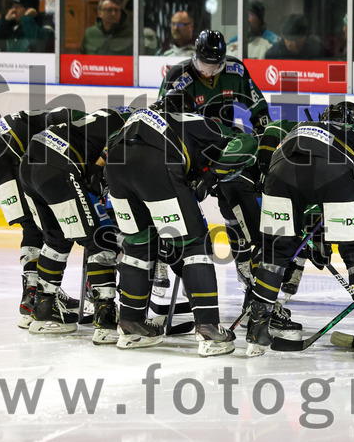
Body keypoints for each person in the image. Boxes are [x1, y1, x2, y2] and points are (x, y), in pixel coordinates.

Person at [104, 92, 256, 356]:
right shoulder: (192, 119)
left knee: (138, 246)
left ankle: (130, 324)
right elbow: (245, 142)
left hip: (116, 169)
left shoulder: (134, 119)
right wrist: (209, 177)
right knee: (195, 245)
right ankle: (209, 330)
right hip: (157, 166)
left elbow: (107, 149)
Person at [253, 102, 354, 360]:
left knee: (275, 252)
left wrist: (265, 165)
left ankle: (257, 330)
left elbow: (272, 127)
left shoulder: (298, 125)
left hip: (280, 168)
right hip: (334, 169)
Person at [160, 30, 270, 288]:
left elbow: (258, 106)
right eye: (205, 64)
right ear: (195, 56)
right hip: (187, 150)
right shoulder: (179, 76)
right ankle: (162, 258)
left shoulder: (235, 70)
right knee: (172, 203)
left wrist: (265, 137)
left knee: (234, 199)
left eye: (215, 65)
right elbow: (163, 119)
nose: (210, 71)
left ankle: (244, 262)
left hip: (223, 146)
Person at [19, 107, 132, 342]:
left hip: (29, 162)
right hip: (59, 164)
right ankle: (105, 320)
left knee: (55, 237)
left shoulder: (101, 118)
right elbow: (102, 167)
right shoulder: (136, 125)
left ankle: (44, 310)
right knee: (100, 238)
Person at [0, 107, 78, 329]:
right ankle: (32, 298)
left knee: (30, 225)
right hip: (10, 151)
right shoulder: (73, 128)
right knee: (37, 226)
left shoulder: (68, 119)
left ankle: (30, 295)